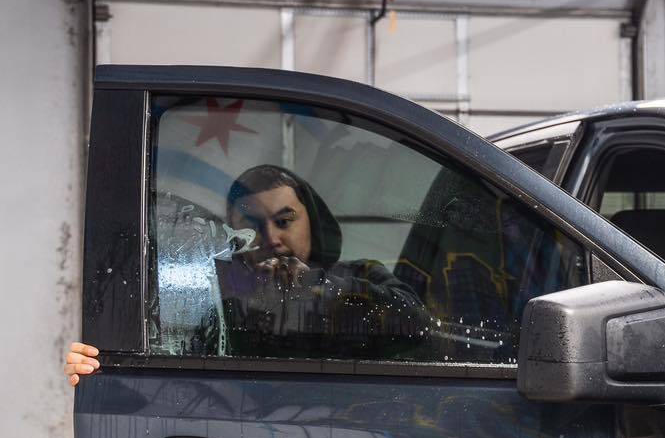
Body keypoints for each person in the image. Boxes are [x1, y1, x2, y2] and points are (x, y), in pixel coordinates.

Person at [65, 162, 425, 381]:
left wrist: (322, 288)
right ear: (233, 233)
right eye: (253, 224)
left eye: (285, 221)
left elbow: (418, 326)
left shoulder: (362, 275)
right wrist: (100, 368)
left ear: (313, 222)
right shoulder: (209, 294)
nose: (271, 238)